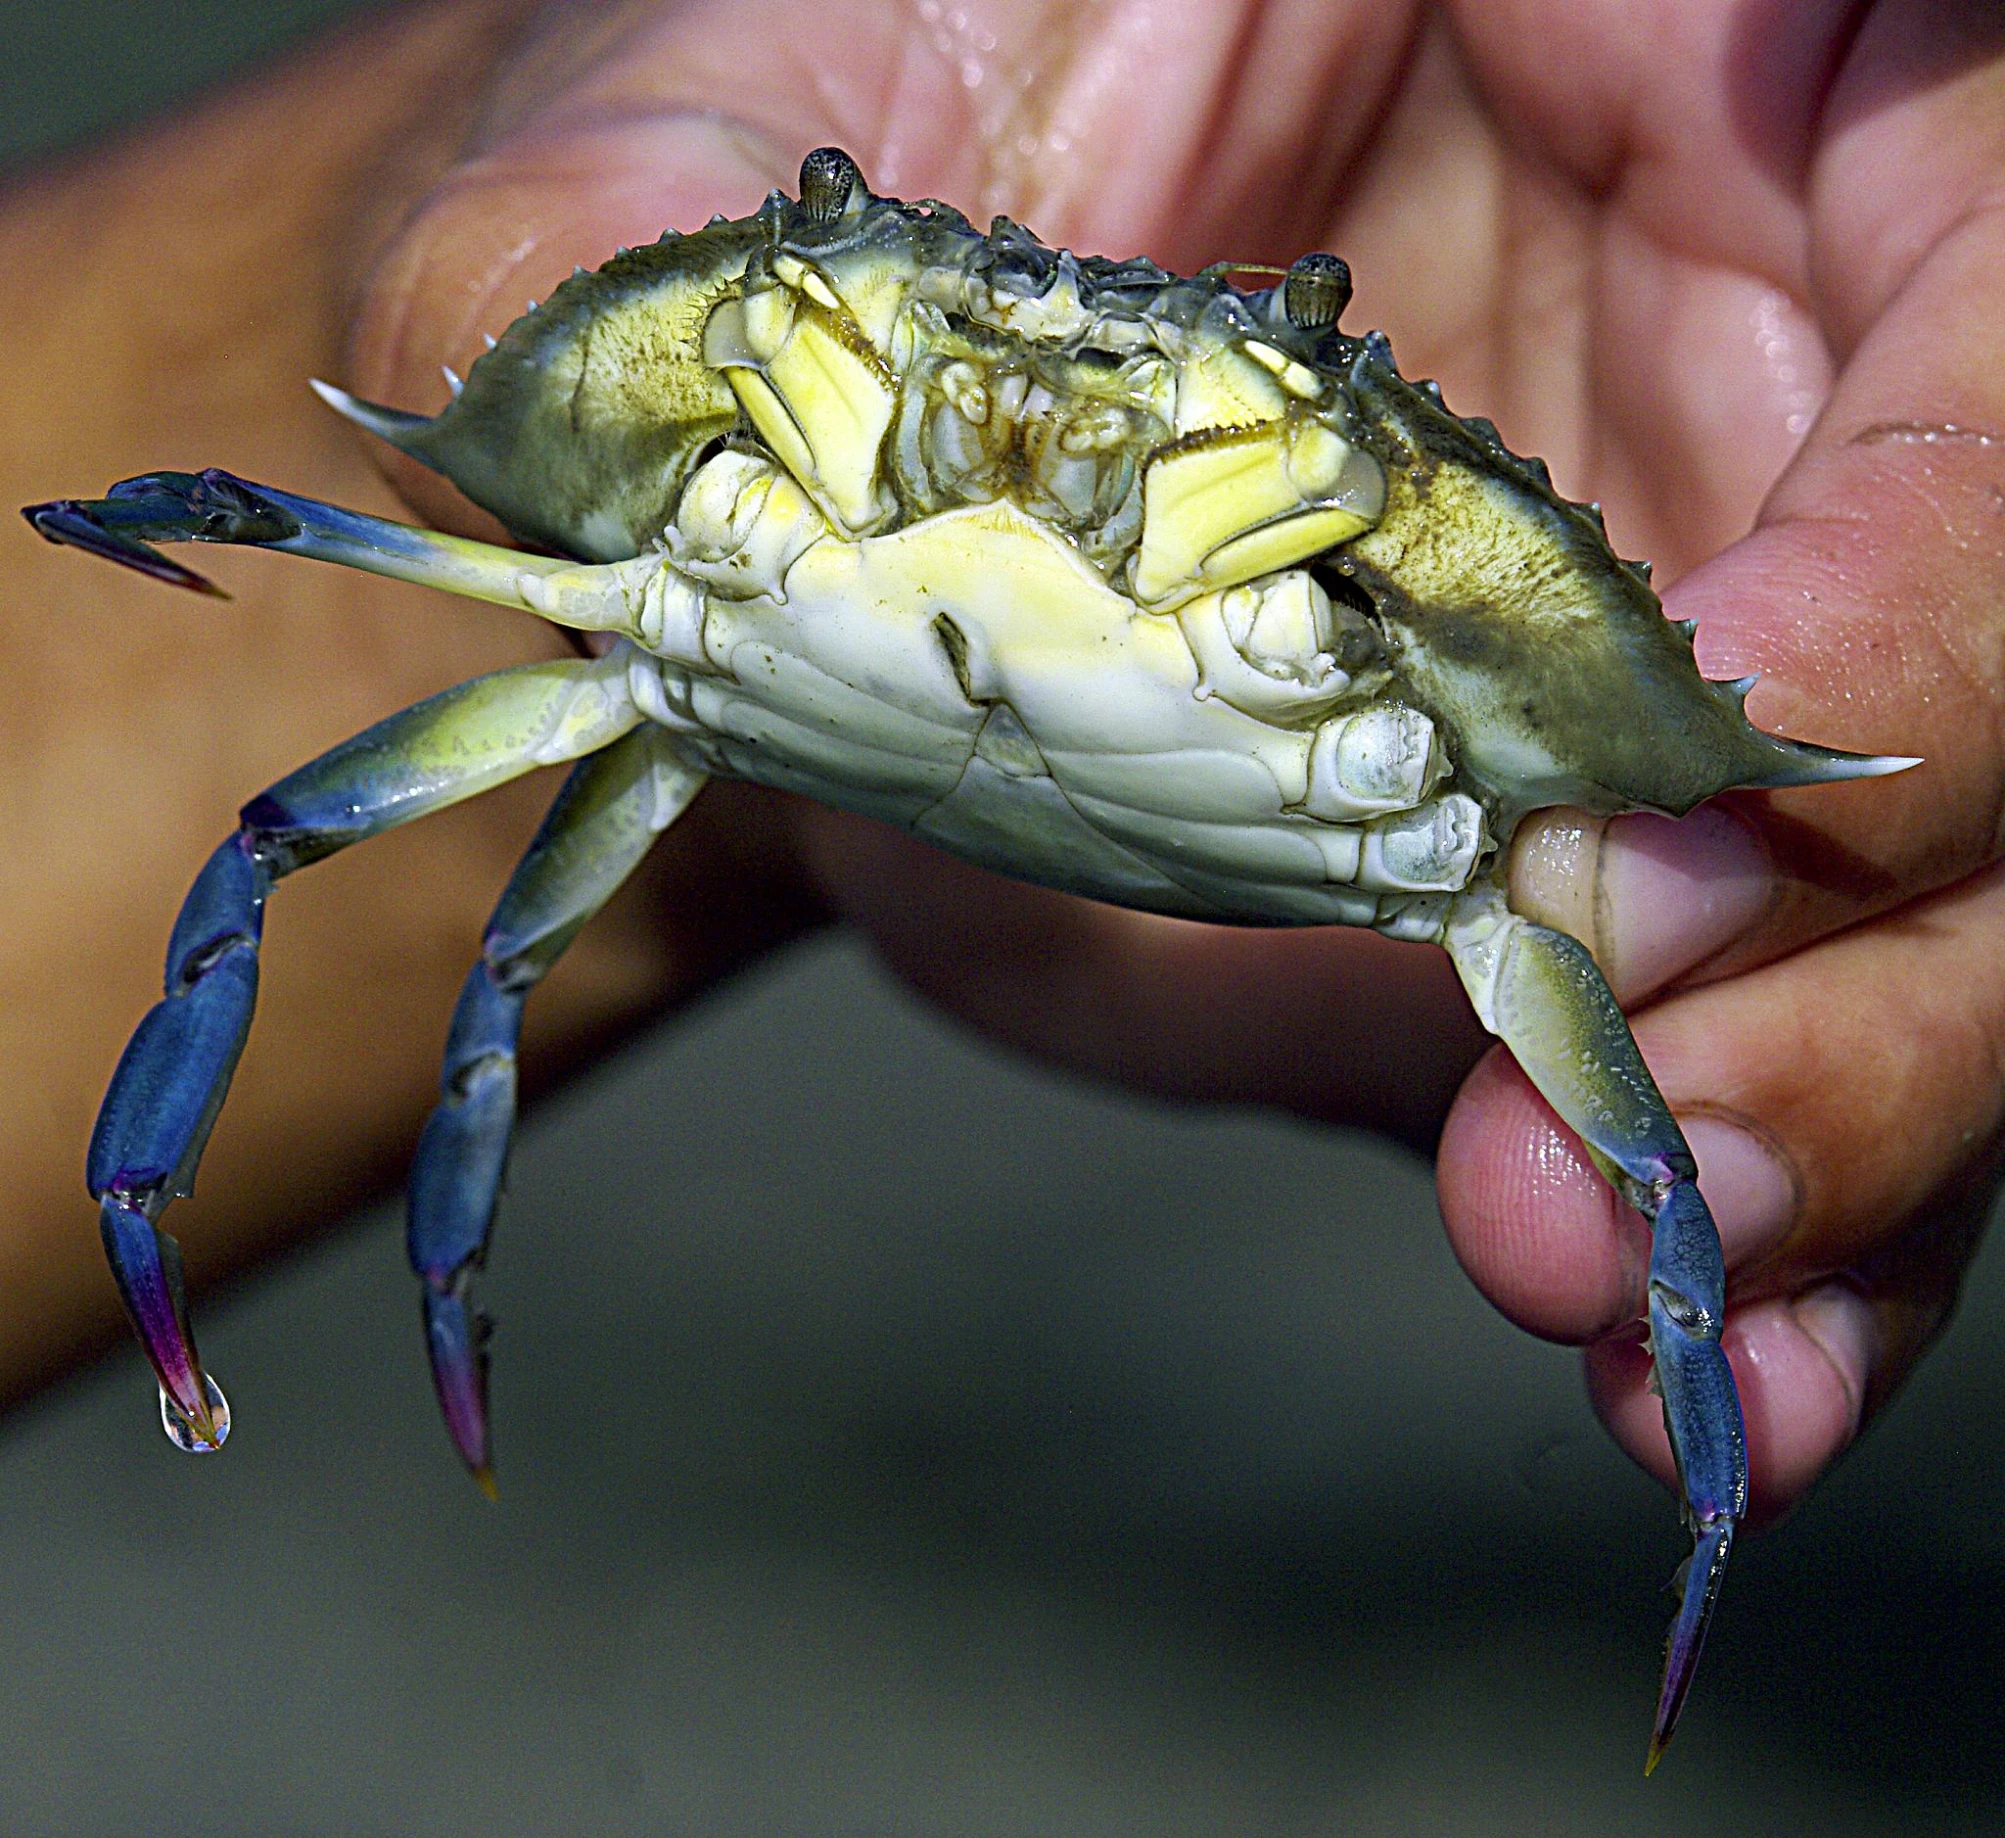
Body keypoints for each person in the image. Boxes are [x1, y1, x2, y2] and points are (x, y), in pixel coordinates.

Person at [5, 0, 2000, 1532]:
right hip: (730, 669)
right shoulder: (742, 465)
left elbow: (1651, 862)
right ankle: (343, 1270)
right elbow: (415, 576)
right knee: (329, 879)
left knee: (1668, 1152)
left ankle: (1701, 1543)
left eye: (1274, 371)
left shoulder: (1453, 766)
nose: (1028, 422)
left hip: (1327, 809)